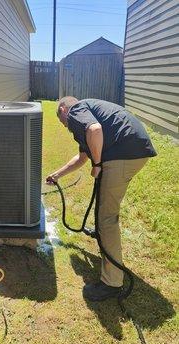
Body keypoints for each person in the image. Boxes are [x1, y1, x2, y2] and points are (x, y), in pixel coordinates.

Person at [46, 96, 157, 301]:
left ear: (63, 110)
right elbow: (81, 158)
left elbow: (95, 130)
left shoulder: (76, 110)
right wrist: (57, 175)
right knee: (104, 213)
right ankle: (107, 253)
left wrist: (97, 164)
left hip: (123, 153)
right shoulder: (88, 113)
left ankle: (112, 283)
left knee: (106, 218)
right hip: (132, 149)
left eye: (63, 122)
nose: (66, 127)